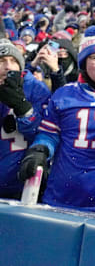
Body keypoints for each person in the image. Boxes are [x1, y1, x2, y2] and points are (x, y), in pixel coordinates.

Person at [18, 32, 95, 211]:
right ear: (83, 63)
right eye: (94, 58)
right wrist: (40, 150)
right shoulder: (65, 94)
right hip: (62, 195)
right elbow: (49, 135)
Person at [0, 39, 51, 198]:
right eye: (1, 61)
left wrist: (23, 110)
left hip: (22, 182)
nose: (8, 66)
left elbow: (45, 135)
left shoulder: (36, 89)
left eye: (13, 61)